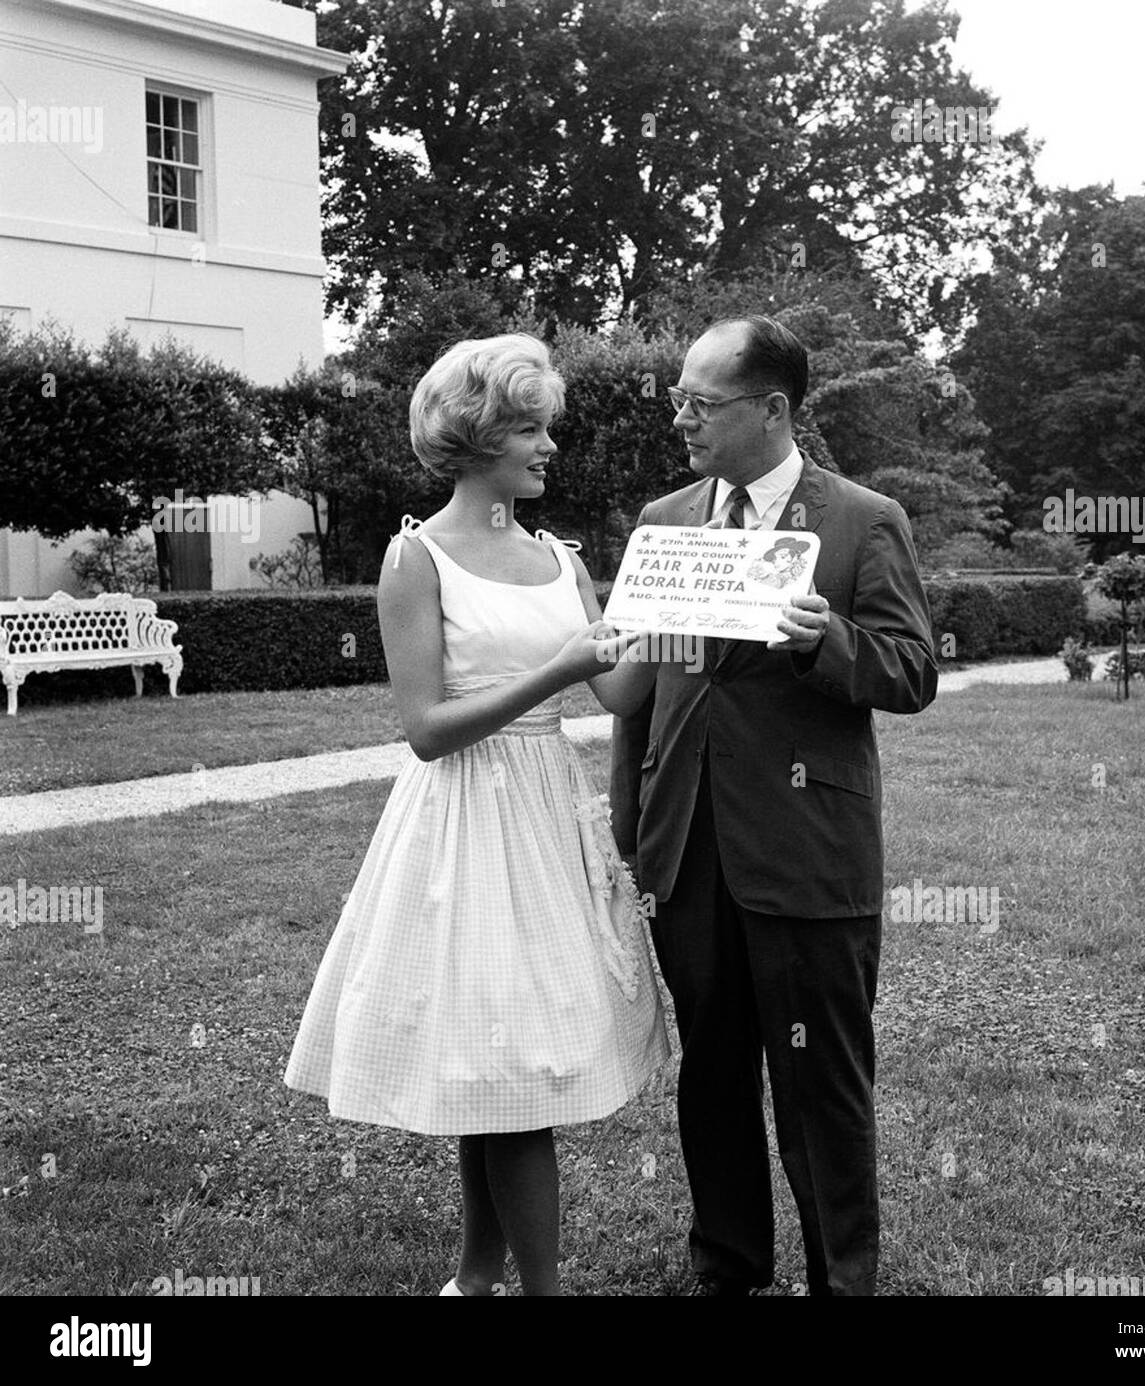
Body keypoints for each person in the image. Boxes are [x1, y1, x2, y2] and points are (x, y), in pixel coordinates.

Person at [284, 333, 670, 1297]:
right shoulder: (416, 558)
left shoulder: (560, 559)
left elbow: (618, 695)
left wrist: (677, 620)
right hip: (463, 819)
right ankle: (532, 1289)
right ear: (479, 437)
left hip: (547, 818)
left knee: (501, 1070)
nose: (549, 447)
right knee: (505, 1070)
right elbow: (425, 729)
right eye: (532, 429)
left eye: (548, 428)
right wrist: (559, 669)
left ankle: (475, 1276)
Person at [610, 315, 938, 1297]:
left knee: (820, 1085)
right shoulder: (663, 521)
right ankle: (726, 1263)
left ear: (773, 409)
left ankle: (842, 1278)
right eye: (677, 400)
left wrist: (825, 639)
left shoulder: (861, 519)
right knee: (709, 1073)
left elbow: (912, 670)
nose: (680, 418)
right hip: (685, 849)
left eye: (699, 404)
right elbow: (644, 684)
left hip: (806, 849)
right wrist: (632, 819)